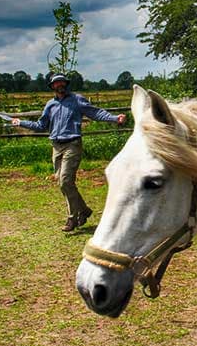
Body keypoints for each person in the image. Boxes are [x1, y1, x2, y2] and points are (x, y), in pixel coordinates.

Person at [12, 74, 126, 231]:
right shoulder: (50, 105)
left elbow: (95, 112)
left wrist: (114, 118)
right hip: (56, 147)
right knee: (64, 183)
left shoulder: (77, 100)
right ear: (52, 86)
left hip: (72, 144)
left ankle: (72, 219)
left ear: (66, 84)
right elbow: (41, 125)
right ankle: (84, 210)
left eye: (62, 82)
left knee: (65, 181)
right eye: (56, 83)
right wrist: (21, 122)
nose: (60, 85)